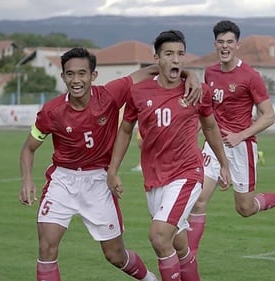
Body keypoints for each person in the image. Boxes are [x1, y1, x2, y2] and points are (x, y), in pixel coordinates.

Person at [19, 47, 201, 281]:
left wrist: (189, 75)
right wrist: (26, 180)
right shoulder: (51, 111)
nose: (76, 80)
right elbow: (28, 148)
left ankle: (149, 279)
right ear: (63, 76)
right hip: (62, 181)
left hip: (98, 182)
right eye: (70, 74)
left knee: (115, 255)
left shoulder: (110, 94)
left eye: (82, 73)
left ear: (93, 76)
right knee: (47, 249)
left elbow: (154, 69)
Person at [107, 30, 230, 281]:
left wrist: (224, 164)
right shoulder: (139, 92)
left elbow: (209, 127)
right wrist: (113, 169)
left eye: (180, 54)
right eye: (169, 54)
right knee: (179, 244)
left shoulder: (197, 91)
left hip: (186, 174)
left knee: (159, 236)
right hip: (155, 179)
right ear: (157, 58)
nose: (176, 60)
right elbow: (126, 130)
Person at [187, 20, 275, 256]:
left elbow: (268, 116)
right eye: (220, 42)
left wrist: (241, 135)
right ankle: (189, 260)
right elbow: (208, 113)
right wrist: (195, 135)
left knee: (245, 208)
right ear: (215, 44)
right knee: (198, 201)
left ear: (237, 45)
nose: (225, 46)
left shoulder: (250, 76)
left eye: (230, 42)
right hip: (214, 146)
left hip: (241, 148)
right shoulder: (210, 72)